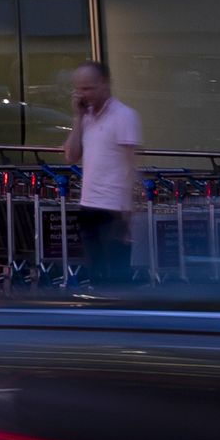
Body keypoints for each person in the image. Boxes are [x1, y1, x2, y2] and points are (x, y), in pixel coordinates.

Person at [67, 61, 142, 283]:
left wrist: (128, 213)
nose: (83, 94)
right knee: (95, 272)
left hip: (114, 208)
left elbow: (130, 166)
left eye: (88, 88)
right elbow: (71, 155)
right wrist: (78, 118)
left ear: (103, 84)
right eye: (79, 89)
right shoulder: (86, 117)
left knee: (116, 275)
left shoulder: (124, 116)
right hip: (88, 204)